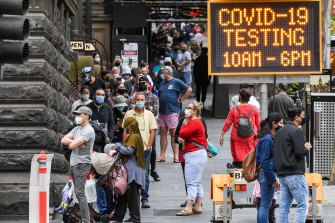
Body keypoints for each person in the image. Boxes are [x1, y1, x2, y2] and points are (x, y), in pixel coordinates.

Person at [273, 106, 312, 223]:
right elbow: (300, 152)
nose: (303, 118)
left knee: (284, 208)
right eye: (303, 116)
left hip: (282, 175)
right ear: (296, 118)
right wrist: (306, 147)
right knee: (303, 205)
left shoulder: (280, 132)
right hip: (295, 173)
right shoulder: (295, 130)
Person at [60, 106, 95, 223]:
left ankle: (86, 219)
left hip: (82, 164)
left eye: (79, 114)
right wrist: (75, 142)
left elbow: (71, 146)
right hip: (75, 162)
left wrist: (74, 143)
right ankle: (84, 218)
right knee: (77, 192)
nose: (77, 117)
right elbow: (63, 140)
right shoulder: (77, 129)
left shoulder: (89, 130)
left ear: (86, 115)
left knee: (80, 193)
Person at [123, 93, 158, 209]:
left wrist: (149, 146)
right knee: (130, 174)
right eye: (137, 99)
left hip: (144, 149)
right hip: (131, 149)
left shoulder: (149, 114)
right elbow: (125, 131)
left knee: (145, 175)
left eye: (141, 99)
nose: (139, 101)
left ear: (145, 101)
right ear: (134, 100)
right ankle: (132, 199)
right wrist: (124, 147)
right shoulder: (129, 114)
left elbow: (152, 131)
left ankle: (145, 198)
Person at [109, 117, 146, 223]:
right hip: (132, 169)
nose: (125, 127)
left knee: (132, 195)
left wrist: (118, 146)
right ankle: (118, 216)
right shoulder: (135, 136)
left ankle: (135, 217)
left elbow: (129, 151)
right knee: (123, 194)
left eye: (126, 125)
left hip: (133, 171)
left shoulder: (134, 136)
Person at [176, 101, 208, 216]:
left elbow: (182, 133)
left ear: (195, 111)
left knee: (191, 183)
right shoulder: (196, 121)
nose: (187, 110)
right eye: (187, 107)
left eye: (190, 108)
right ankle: (198, 205)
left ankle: (189, 207)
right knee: (197, 181)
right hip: (198, 155)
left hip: (194, 155)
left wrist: (184, 123)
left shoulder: (194, 122)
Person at [156, 66, 192, 163]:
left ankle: (176, 156)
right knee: (163, 133)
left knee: (174, 134)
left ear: (168, 72)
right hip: (162, 112)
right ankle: (162, 155)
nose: (162, 74)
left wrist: (181, 99)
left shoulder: (176, 81)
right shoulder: (162, 83)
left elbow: (189, 89)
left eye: (163, 72)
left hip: (172, 111)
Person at [219, 88, 261, 168]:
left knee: (237, 154)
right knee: (249, 153)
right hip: (250, 137)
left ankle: (237, 166)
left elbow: (228, 123)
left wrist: (222, 135)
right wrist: (259, 136)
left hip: (236, 137)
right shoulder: (254, 109)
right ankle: (248, 167)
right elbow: (258, 125)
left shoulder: (234, 109)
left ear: (240, 97)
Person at [255, 112, 283, 223]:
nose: (283, 125)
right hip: (267, 174)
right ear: (274, 124)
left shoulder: (267, 138)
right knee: (266, 205)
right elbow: (265, 161)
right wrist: (272, 179)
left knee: (264, 204)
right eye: (281, 123)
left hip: (265, 173)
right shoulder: (268, 139)